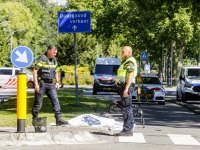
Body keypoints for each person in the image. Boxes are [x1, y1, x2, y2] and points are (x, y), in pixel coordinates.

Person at [32, 45, 68, 126]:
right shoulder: (42, 58)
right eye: (54, 52)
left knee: (55, 100)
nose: (55, 54)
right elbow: (35, 71)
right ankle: (35, 119)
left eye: (56, 52)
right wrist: (36, 84)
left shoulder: (54, 60)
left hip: (51, 84)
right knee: (38, 102)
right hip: (42, 83)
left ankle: (58, 119)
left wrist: (57, 81)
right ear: (49, 51)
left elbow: (55, 71)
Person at [114, 46, 137, 136]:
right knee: (128, 107)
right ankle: (129, 128)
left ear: (129, 52)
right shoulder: (126, 61)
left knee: (126, 108)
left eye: (123, 52)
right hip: (124, 87)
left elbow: (130, 75)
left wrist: (126, 88)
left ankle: (127, 130)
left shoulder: (129, 62)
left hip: (126, 87)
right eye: (122, 51)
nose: (121, 53)